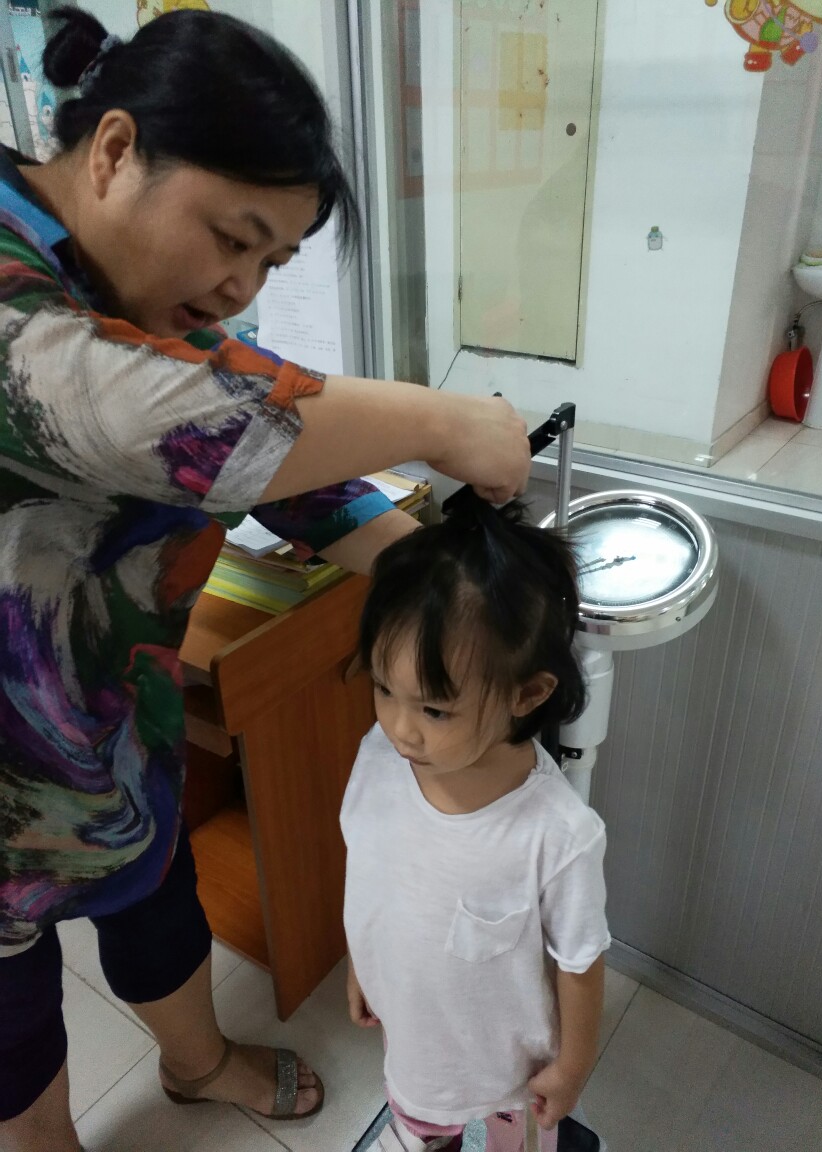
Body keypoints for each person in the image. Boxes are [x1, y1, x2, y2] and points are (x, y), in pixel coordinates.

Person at [0, 8, 531, 1151]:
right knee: (10, 1014)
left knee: (158, 900)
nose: (240, 286)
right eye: (232, 238)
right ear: (114, 150)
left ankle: (198, 1065)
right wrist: (443, 422)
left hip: (112, 733)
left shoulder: (143, 304)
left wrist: (448, 583)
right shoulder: (20, 298)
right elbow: (157, 417)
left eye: (271, 263)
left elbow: (269, 441)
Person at [342, 495, 611, 1152]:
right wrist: (362, 965)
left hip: (511, 1079)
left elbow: (580, 963)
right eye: (383, 689)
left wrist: (572, 1067)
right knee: (420, 1121)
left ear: (528, 693)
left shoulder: (557, 833)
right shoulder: (378, 758)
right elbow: (370, 876)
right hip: (415, 1046)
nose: (399, 728)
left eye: (434, 710)